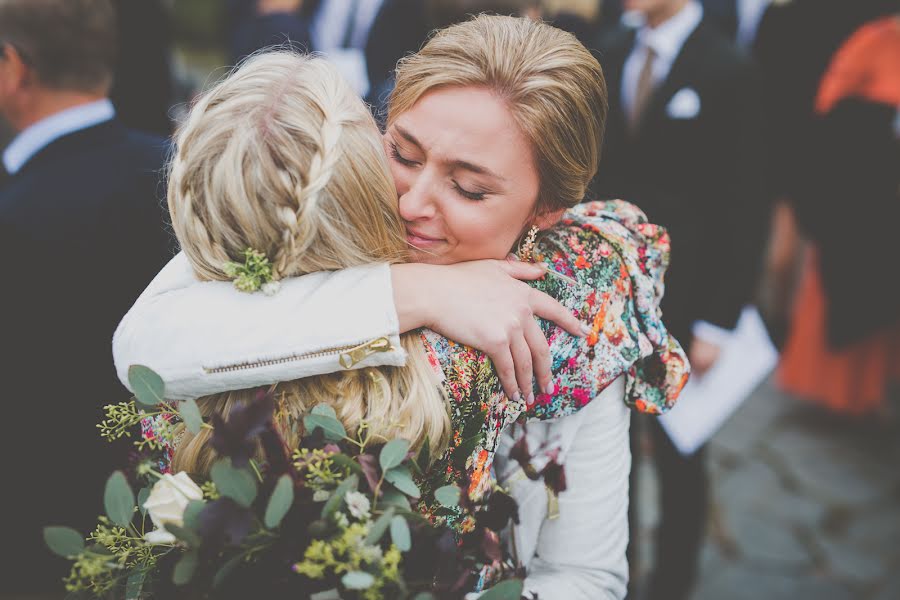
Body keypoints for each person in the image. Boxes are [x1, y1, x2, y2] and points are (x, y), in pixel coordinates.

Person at [115, 16, 689, 599]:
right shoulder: (326, 205)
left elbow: (585, 578)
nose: (412, 203)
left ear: (546, 210)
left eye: (468, 189)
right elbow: (146, 349)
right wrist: (419, 294)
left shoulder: (577, 321)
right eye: (404, 154)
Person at [588, 1, 767, 599]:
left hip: (688, 302)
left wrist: (719, 322)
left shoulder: (729, 68)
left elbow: (747, 204)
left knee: (679, 451)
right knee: (613, 450)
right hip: (612, 298)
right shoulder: (610, 48)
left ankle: (673, 583)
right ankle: (619, 569)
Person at [0, 0, 171, 594]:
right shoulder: (175, 172)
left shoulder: (15, 216)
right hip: (173, 515)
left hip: (38, 536)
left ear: (13, 67)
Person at [776, 14, 900, 415]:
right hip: (860, 196)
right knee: (844, 286)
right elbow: (830, 106)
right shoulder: (876, 39)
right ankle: (837, 395)